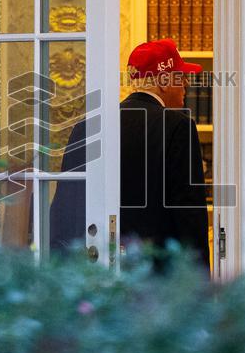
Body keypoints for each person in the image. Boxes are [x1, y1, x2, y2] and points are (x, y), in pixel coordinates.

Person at [48, 39, 209, 275]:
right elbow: (188, 212)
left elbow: (65, 205)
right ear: (163, 81)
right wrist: (200, 279)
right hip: (157, 274)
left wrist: (59, 271)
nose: (186, 83)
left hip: (97, 270)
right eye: (180, 76)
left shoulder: (87, 127)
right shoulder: (178, 126)